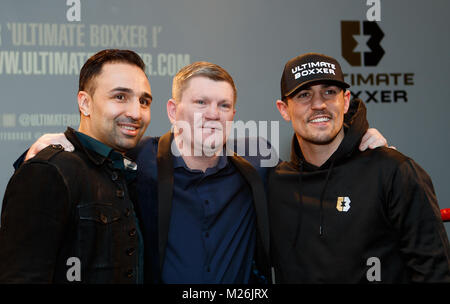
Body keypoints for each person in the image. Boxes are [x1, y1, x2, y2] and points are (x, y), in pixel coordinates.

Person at [16, 61, 388, 284]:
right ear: (173, 111)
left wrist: (360, 139)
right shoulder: (137, 162)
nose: (213, 113)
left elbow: (315, 167)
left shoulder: (257, 168)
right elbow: (85, 164)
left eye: (224, 104)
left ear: (233, 115)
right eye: (201, 102)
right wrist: (63, 141)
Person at [269, 52, 450, 283]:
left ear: (345, 101)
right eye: (304, 95)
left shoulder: (393, 171)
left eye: (329, 92)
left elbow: (434, 273)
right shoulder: (273, 184)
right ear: (284, 109)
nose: (318, 104)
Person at [0, 49, 153, 283]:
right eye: (120, 97)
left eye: (144, 101)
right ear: (85, 103)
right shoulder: (50, 170)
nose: (136, 113)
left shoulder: (129, 168)